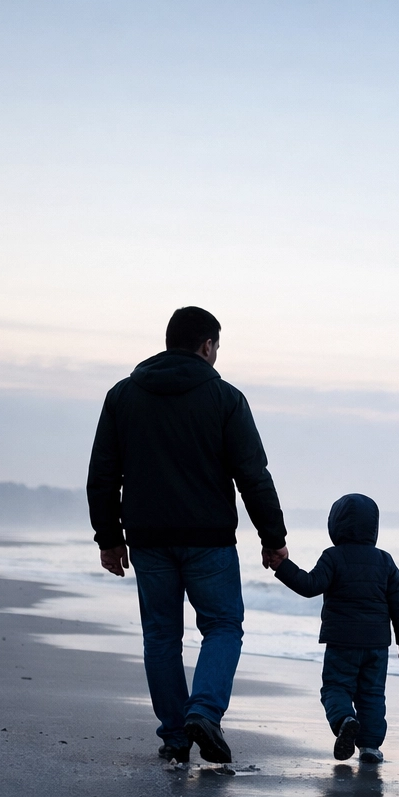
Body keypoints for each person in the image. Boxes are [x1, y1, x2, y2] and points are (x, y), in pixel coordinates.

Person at [86, 306, 288, 766]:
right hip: (210, 540)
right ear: (208, 345)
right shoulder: (225, 398)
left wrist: (108, 538)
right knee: (221, 626)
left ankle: (176, 736)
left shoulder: (123, 396)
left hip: (148, 538)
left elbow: (103, 475)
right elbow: (252, 475)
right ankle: (204, 712)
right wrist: (273, 537)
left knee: (161, 636)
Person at [268, 493, 399, 763]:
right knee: (371, 693)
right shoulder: (385, 561)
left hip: (341, 642)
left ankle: (345, 719)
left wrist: (282, 566)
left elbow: (310, 586)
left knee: (335, 687)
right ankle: (370, 746)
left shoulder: (333, 557)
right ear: (374, 527)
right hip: (376, 645)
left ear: (335, 525)